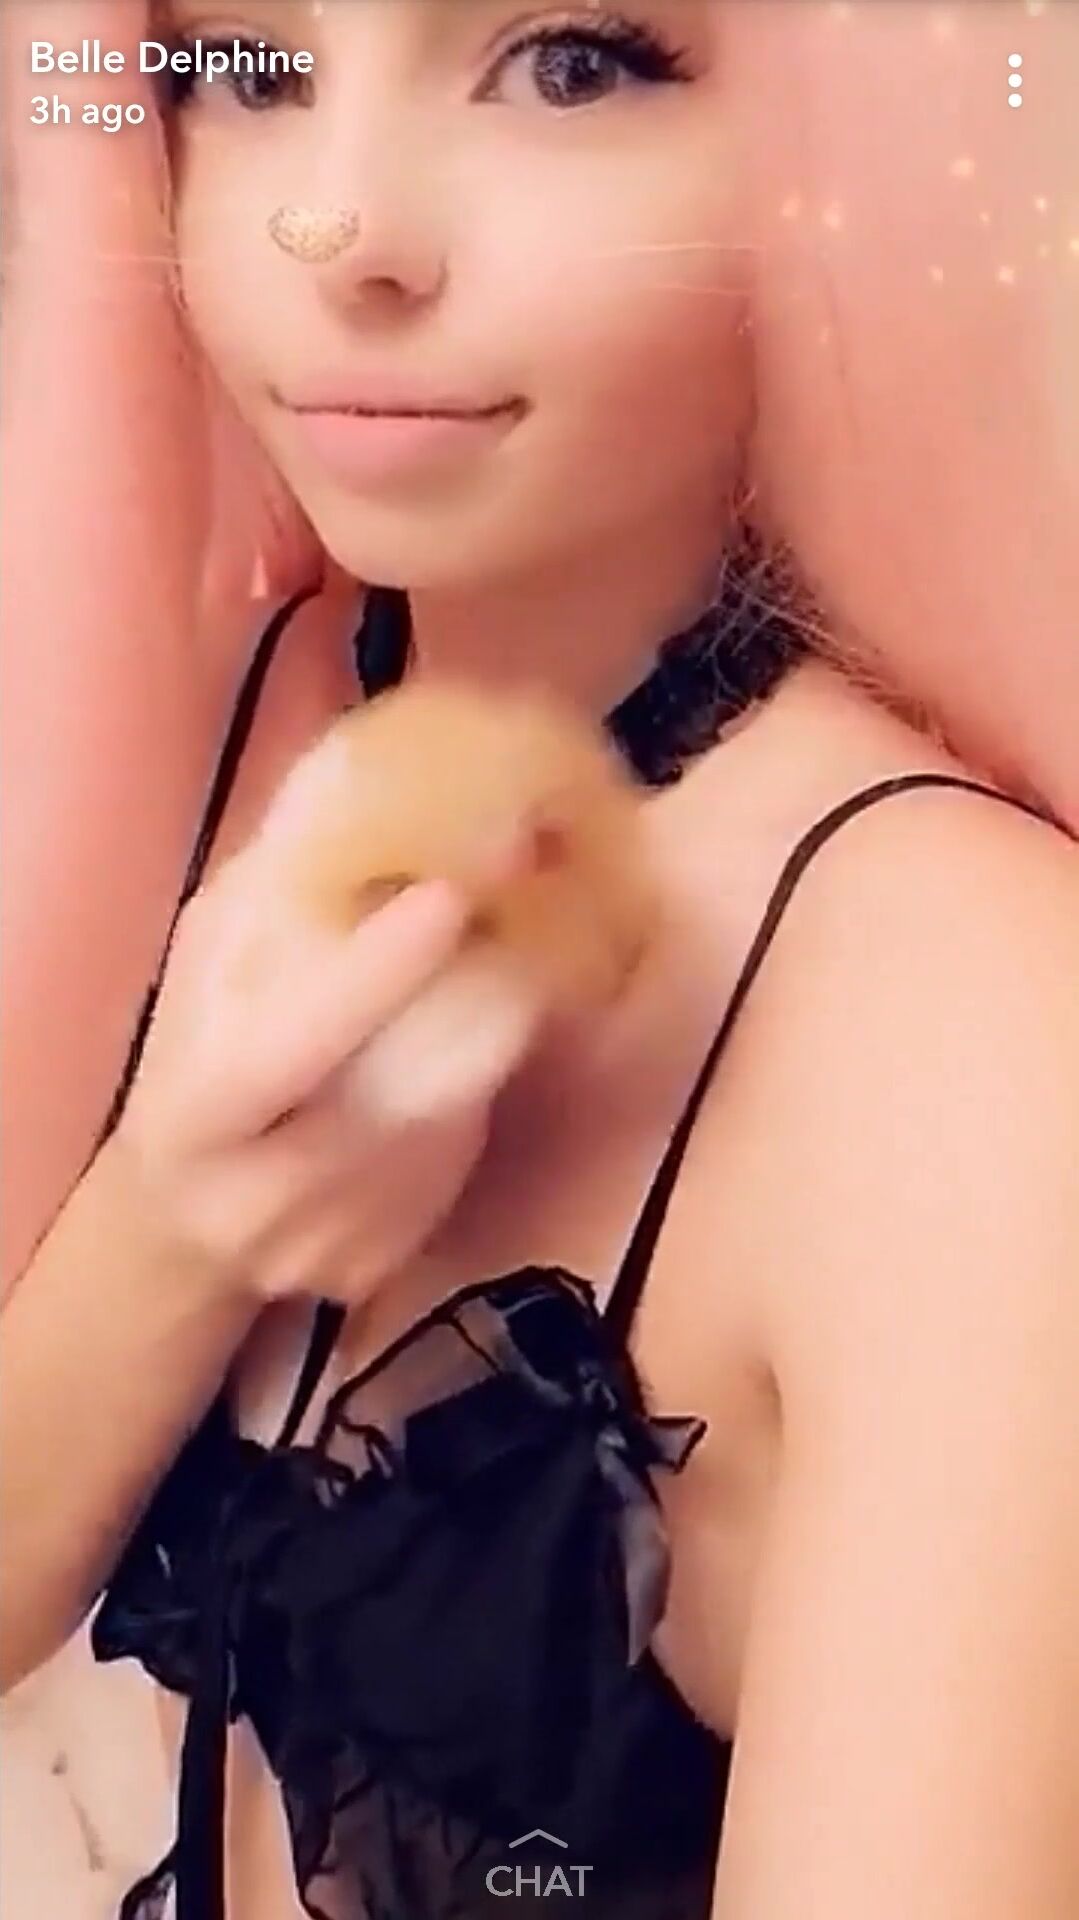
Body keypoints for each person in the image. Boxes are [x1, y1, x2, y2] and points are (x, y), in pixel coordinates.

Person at [1, 4, 1077, 1919]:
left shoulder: (978, 1044)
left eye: (572, 62)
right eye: (247, 67)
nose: (341, 230)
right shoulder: (188, 707)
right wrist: (170, 1229)